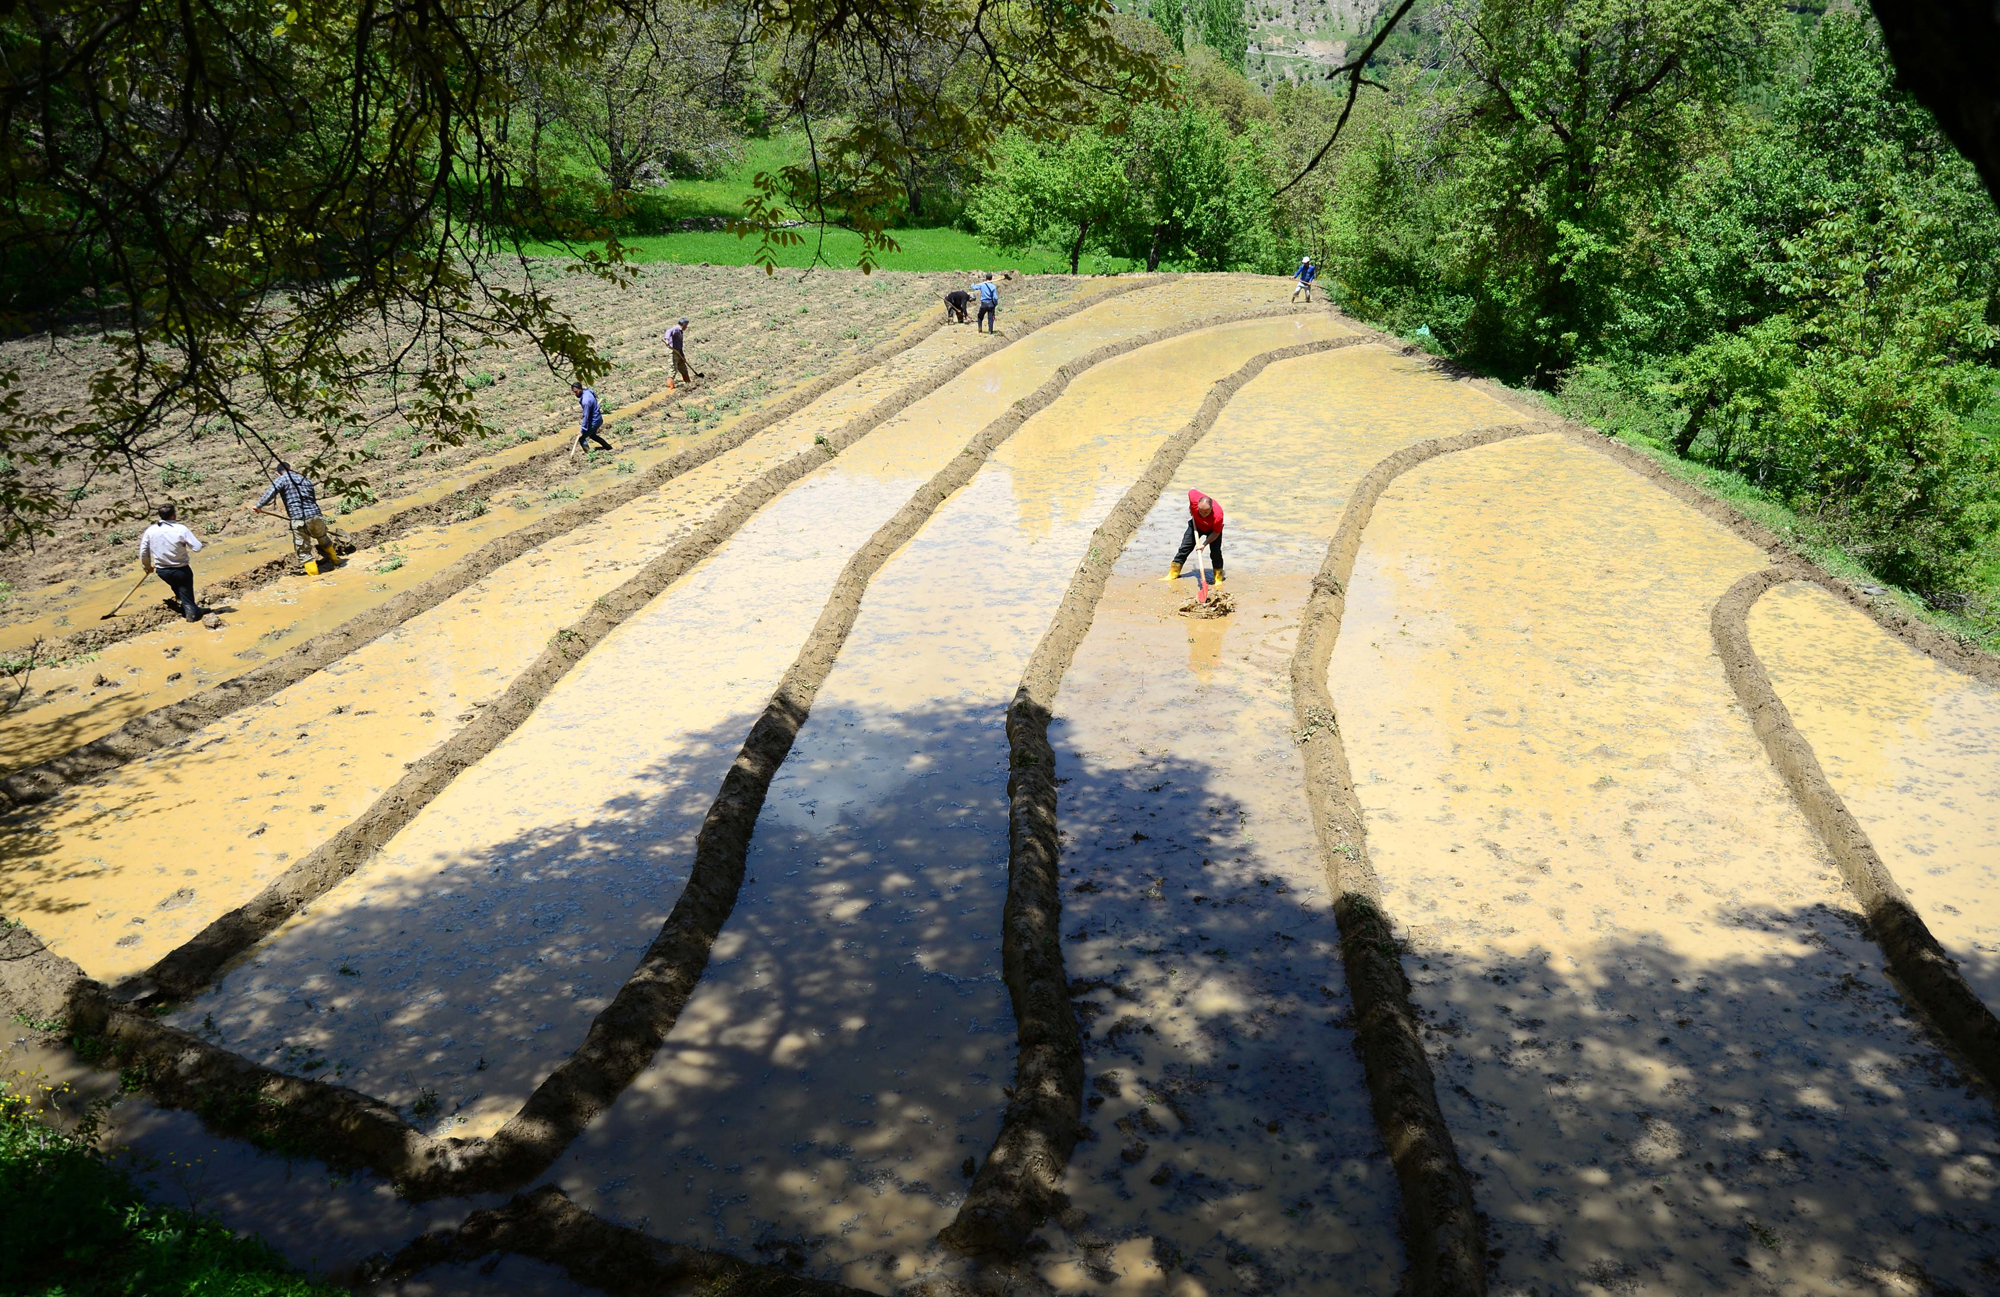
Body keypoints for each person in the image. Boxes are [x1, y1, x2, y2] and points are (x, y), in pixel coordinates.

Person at [252, 461, 339, 572]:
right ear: (291, 468)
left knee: (304, 551)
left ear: (278, 473)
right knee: (323, 539)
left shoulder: (282, 479)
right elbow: (312, 497)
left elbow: (271, 492)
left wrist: (258, 506)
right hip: (316, 515)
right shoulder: (304, 479)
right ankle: (336, 561)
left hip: (299, 519)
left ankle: (314, 578)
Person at [138, 503, 204, 622]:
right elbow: (197, 547)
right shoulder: (181, 529)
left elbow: (143, 551)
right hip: (181, 570)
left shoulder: (151, 530)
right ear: (173, 514)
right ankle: (192, 616)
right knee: (185, 593)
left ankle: (189, 607)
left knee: (179, 590)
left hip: (162, 571)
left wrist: (147, 566)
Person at [1165, 488, 1225, 585]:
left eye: (1206, 512)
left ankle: (1218, 578)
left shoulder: (1218, 515)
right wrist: (1191, 509)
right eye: (1200, 511)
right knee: (1184, 548)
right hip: (1196, 525)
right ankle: (1173, 573)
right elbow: (1192, 489)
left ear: (1211, 508)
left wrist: (1204, 544)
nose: (1203, 514)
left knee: (1216, 553)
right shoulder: (1194, 499)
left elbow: (1216, 532)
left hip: (1212, 530)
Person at [572, 381, 612, 453]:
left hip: (594, 421)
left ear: (580, 389)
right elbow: (593, 393)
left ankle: (589, 453)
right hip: (599, 418)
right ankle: (608, 447)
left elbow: (586, 416)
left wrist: (582, 431)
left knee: (581, 437)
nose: (575, 394)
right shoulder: (588, 392)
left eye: (576, 392)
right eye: (574, 392)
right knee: (592, 435)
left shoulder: (585, 401)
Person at [665, 317, 702, 386]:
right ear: (684, 324)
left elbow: (680, 346)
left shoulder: (680, 331)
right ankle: (670, 388)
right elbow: (668, 331)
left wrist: (683, 356)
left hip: (679, 352)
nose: (686, 327)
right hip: (673, 352)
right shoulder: (676, 328)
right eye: (686, 325)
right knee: (672, 370)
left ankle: (689, 384)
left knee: (684, 369)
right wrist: (667, 340)